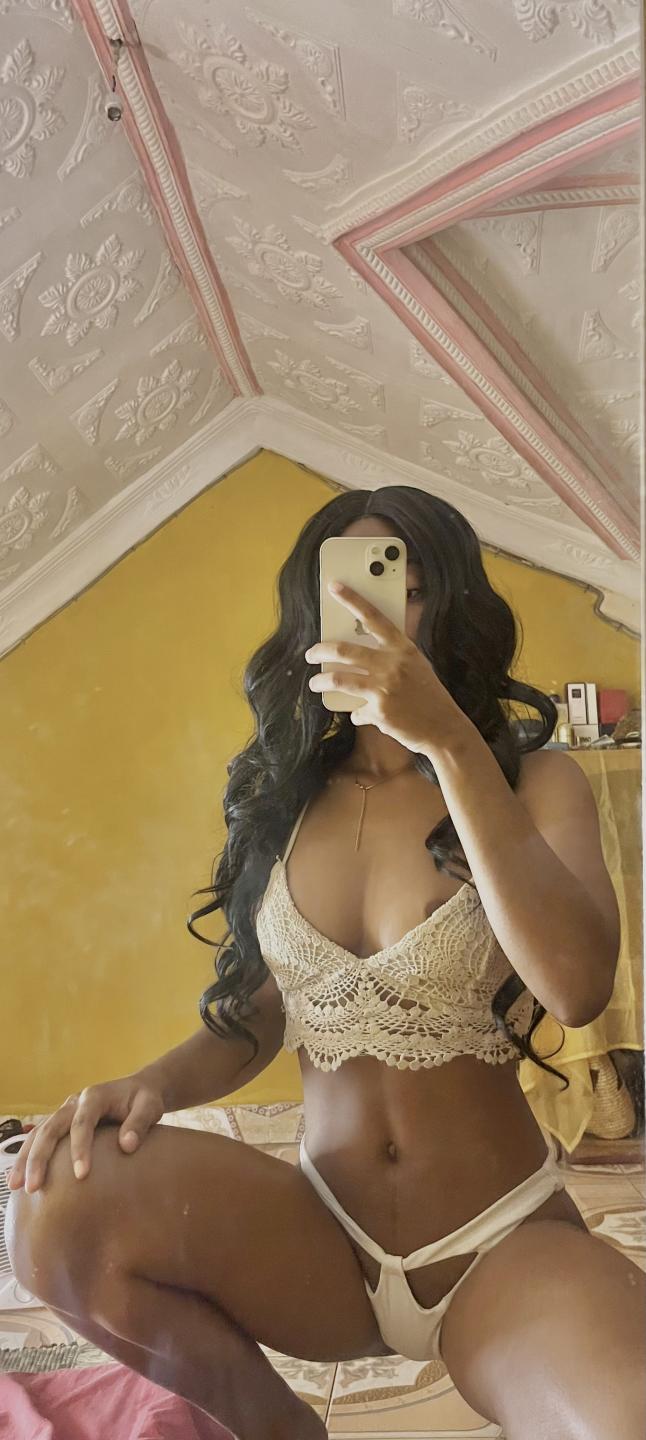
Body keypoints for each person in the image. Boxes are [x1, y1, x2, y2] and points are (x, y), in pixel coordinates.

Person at [6, 489, 645, 1440]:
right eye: (351, 586)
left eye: (410, 588)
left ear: (453, 606)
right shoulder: (285, 798)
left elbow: (577, 987)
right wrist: (151, 1085)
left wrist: (449, 741)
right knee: (51, 1209)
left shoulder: (532, 780)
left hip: (499, 1244)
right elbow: (264, 1012)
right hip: (320, 1241)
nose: (380, 612)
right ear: (312, 610)